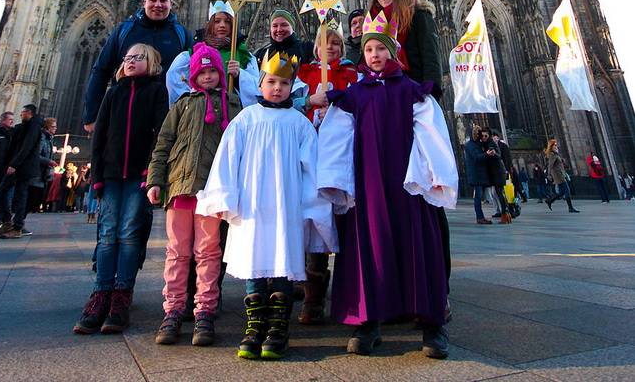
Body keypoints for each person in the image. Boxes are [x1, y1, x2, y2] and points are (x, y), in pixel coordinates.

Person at [317, 25, 457, 359]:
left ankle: (432, 325)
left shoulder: (413, 92)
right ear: (363, 56)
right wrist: (336, 180)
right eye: (369, 51)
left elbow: (430, 134)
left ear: (392, 54)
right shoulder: (353, 95)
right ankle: (368, 322)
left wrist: (435, 174)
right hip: (369, 186)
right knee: (370, 248)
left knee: (418, 246)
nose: (375, 56)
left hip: (409, 183)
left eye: (381, 50)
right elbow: (337, 140)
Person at [196, 48, 336, 360]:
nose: (276, 88)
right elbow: (227, 159)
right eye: (271, 82)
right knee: (254, 267)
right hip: (253, 207)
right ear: (259, 84)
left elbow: (312, 169)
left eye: (284, 84)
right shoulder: (246, 119)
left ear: (292, 88)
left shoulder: (299, 123)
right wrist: (223, 197)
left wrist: (314, 208)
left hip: (286, 208)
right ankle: (254, 326)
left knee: (283, 269)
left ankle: (277, 328)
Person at [365, 0, 451, 313]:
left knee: (426, 193)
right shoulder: (374, 19)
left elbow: (430, 59)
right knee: (396, 196)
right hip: (386, 110)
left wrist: (429, 94)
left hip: (414, 104)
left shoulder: (418, 14)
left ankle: (438, 283)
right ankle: (400, 282)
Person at [147, 44, 240, 346]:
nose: (208, 76)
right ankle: (173, 310)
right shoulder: (182, 105)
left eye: (214, 70)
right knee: (177, 252)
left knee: (209, 252)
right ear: (194, 76)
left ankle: (205, 312)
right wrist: (154, 180)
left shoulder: (231, 104)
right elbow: (164, 144)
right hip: (180, 188)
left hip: (211, 191)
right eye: (203, 72)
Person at [73, 44, 169, 335]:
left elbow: (161, 135)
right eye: (127, 58)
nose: (131, 62)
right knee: (106, 235)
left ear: (151, 63)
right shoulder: (113, 93)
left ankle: (121, 295)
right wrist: (97, 176)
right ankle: (100, 294)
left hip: (138, 176)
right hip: (112, 176)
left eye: (138, 58)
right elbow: (99, 138)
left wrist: (151, 174)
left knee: (128, 234)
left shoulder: (156, 92)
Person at [296, 24, 358, 325]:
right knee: (315, 224)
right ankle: (314, 297)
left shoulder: (351, 75)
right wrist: (310, 102)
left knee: (348, 227)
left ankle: (352, 294)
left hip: (342, 160)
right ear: (316, 49)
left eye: (335, 43)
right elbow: (286, 103)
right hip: (312, 160)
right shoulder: (304, 75)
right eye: (324, 43)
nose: (330, 47)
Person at [82, 0, 193, 132]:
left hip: (167, 117)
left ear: (171, 4)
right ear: (144, 2)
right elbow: (101, 70)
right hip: (125, 114)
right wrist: (91, 116)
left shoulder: (181, 34)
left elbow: (194, 73)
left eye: (163, 0)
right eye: (153, 0)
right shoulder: (124, 31)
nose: (158, 5)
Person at [166, 0, 258, 106]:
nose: (222, 25)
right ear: (210, 24)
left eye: (227, 21)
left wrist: (240, 76)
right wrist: (191, 101)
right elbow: (174, 77)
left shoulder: (243, 55)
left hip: (231, 111)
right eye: (217, 21)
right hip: (201, 109)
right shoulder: (195, 53)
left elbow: (257, 88)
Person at [0, 104, 44, 239]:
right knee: (1, 192)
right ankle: (7, 222)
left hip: (23, 166)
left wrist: (14, 164)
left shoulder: (34, 127)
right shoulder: (25, 126)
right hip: (17, 165)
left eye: (23, 112)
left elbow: (27, 146)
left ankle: (17, 227)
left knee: (19, 196)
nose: (21, 115)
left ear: (30, 113)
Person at [27, 117, 57, 216]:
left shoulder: (48, 139)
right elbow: (36, 155)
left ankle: (18, 224)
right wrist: (49, 161)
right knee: (30, 200)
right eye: (53, 127)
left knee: (35, 201)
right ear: (47, 127)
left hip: (42, 175)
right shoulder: (42, 138)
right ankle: (16, 224)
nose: (55, 128)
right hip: (36, 174)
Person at [464, 126, 492, 224]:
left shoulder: (479, 144)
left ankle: (480, 217)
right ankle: (479, 217)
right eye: (479, 133)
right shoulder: (469, 145)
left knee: (480, 196)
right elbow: (476, 157)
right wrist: (486, 154)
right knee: (478, 197)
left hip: (480, 174)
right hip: (476, 175)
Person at [545, 139, 579, 213]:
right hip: (558, 175)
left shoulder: (555, 154)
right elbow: (550, 165)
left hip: (560, 174)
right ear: (551, 146)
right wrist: (549, 175)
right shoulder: (552, 154)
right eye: (555, 145)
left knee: (561, 192)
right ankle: (570, 208)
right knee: (567, 190)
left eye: (556, 145)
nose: (557, 146)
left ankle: (549, 200)